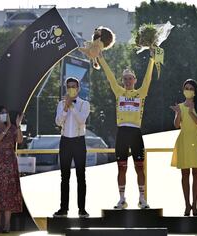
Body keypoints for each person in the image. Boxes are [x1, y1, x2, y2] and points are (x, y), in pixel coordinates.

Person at [98, 49, 154, 209]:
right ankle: (122, 199)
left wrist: (151, 60)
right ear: (122, 81)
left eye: (130, 78)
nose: (128, 81)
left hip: (136, 132)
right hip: (122, 132)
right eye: (125, 79)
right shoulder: (119, 91)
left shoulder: (141, 93)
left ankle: (142, 199)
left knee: (139, 168)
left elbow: (148, 79)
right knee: (121, 168)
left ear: (135, 80)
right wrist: (101, 59)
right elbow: (109, 77)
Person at [170, 79, 197, 216]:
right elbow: (176, 125)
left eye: (191, 88)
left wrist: (191, 111)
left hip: (196, 140)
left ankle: (195, 205)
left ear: (195, 91)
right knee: (185, 174)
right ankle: (187, 205)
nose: (188, 90)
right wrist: (178, 113)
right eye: (186, 88)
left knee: (196, 173)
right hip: (184, 140)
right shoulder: (180, 106)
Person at [53, 77, 90, 218]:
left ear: (78, 88)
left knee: (81, 176)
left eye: (73, 86)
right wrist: (65, 108)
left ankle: (82, 209)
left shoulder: (84, 104)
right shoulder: (61, 104)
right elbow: (58, 122)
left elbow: (81, 120)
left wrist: (72, 106)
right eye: (69, 86)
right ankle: (63, 208)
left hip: (79, 141)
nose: (71, 89)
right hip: (65, 142)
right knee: (64, 177)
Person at [0, 105, 24, 233]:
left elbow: (19, 140)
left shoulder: (13, 128)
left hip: (9, 163)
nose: (5, 115)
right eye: (2, 113)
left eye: (6, 112)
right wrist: (6, 127)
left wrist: (17, 125)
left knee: (8, 193)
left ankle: (7, 225)